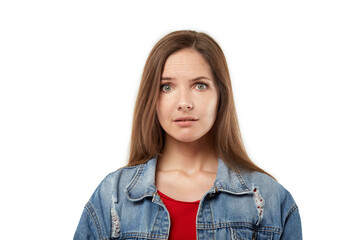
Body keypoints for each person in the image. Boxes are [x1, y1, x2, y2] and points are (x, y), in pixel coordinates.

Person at [74, 30, 302, 240]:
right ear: (151, 98)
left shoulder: (269, 199)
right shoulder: (114, 196)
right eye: (166, 87)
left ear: (220, 96)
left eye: (200, 86)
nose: (184, 103)